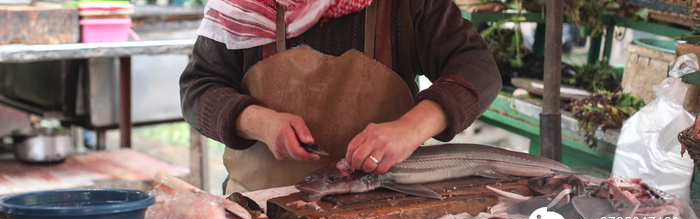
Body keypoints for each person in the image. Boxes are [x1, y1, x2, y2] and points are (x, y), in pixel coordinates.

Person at [180, 0, 502, 195]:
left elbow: (478, 68)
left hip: (385, 212)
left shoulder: (406, 5)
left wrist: (411, 128)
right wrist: (258, 122)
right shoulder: (240, 6)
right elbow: (198, 87)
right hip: (264, 213)